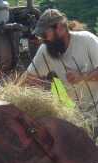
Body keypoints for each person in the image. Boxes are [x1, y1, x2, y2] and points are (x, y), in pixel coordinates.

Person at [25, 8, 98, 137]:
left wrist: (82, 77)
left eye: (45, 34)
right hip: (78, 115)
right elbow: (29, 78)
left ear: (59, 28)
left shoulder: (87, 40)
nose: (43, 39)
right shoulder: (46, 50)